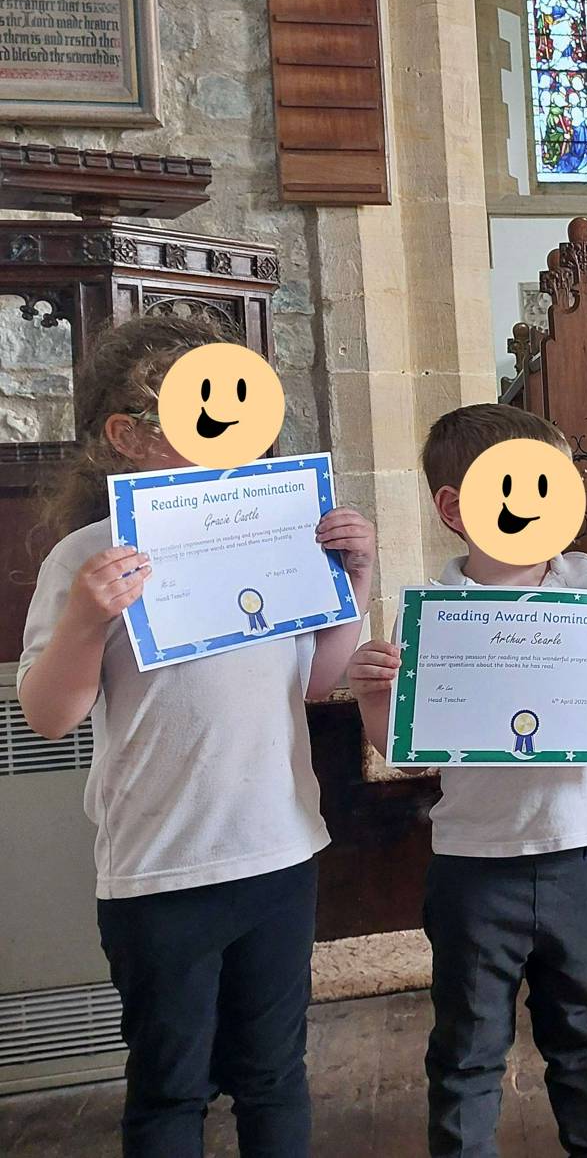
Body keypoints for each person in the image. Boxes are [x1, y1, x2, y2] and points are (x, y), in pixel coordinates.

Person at [17, 313, 377, 1158]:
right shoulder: (86, 556)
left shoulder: (280, 537)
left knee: (274, 1075)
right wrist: (85, 618)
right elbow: (48, 714)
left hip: (279, 850)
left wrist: (354, 583)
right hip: (161, 870)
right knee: (169, 1087)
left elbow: (314, 681)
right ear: (128, 435)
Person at [343, 403, 587, 1156]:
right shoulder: (432, 615)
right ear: (455, 508)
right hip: (474, 862)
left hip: (580, 850)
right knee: (468, 1043)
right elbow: (408, 753)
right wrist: (373, 697)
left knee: (583, 1030)